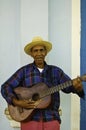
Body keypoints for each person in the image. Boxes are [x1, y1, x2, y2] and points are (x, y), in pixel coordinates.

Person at [1, 36, 84, 130]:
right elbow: (5, 86)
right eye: (35, 51)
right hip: (29, 120)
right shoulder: (24, 71)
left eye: (41, 50)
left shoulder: (56, 71)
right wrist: (18, 102)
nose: (39, 53)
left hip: (51, 119)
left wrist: (78, 88)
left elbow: (70, 88)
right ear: (31, 54)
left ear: (46, 52)